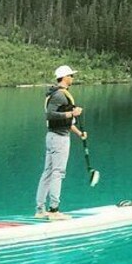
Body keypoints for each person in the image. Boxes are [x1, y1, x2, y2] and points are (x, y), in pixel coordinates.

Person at [35, 65, 88, 220]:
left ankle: (40, 210)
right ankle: (54, 211)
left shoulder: (57, 94)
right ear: (64, 77)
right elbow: (50, 115)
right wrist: (72, 112)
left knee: (48, 172)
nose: (72, 78)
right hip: (59, 140)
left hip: (53, 137)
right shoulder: (59, 95)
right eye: (71, 75)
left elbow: (65, 120)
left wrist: (79, 133)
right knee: (58, 173)